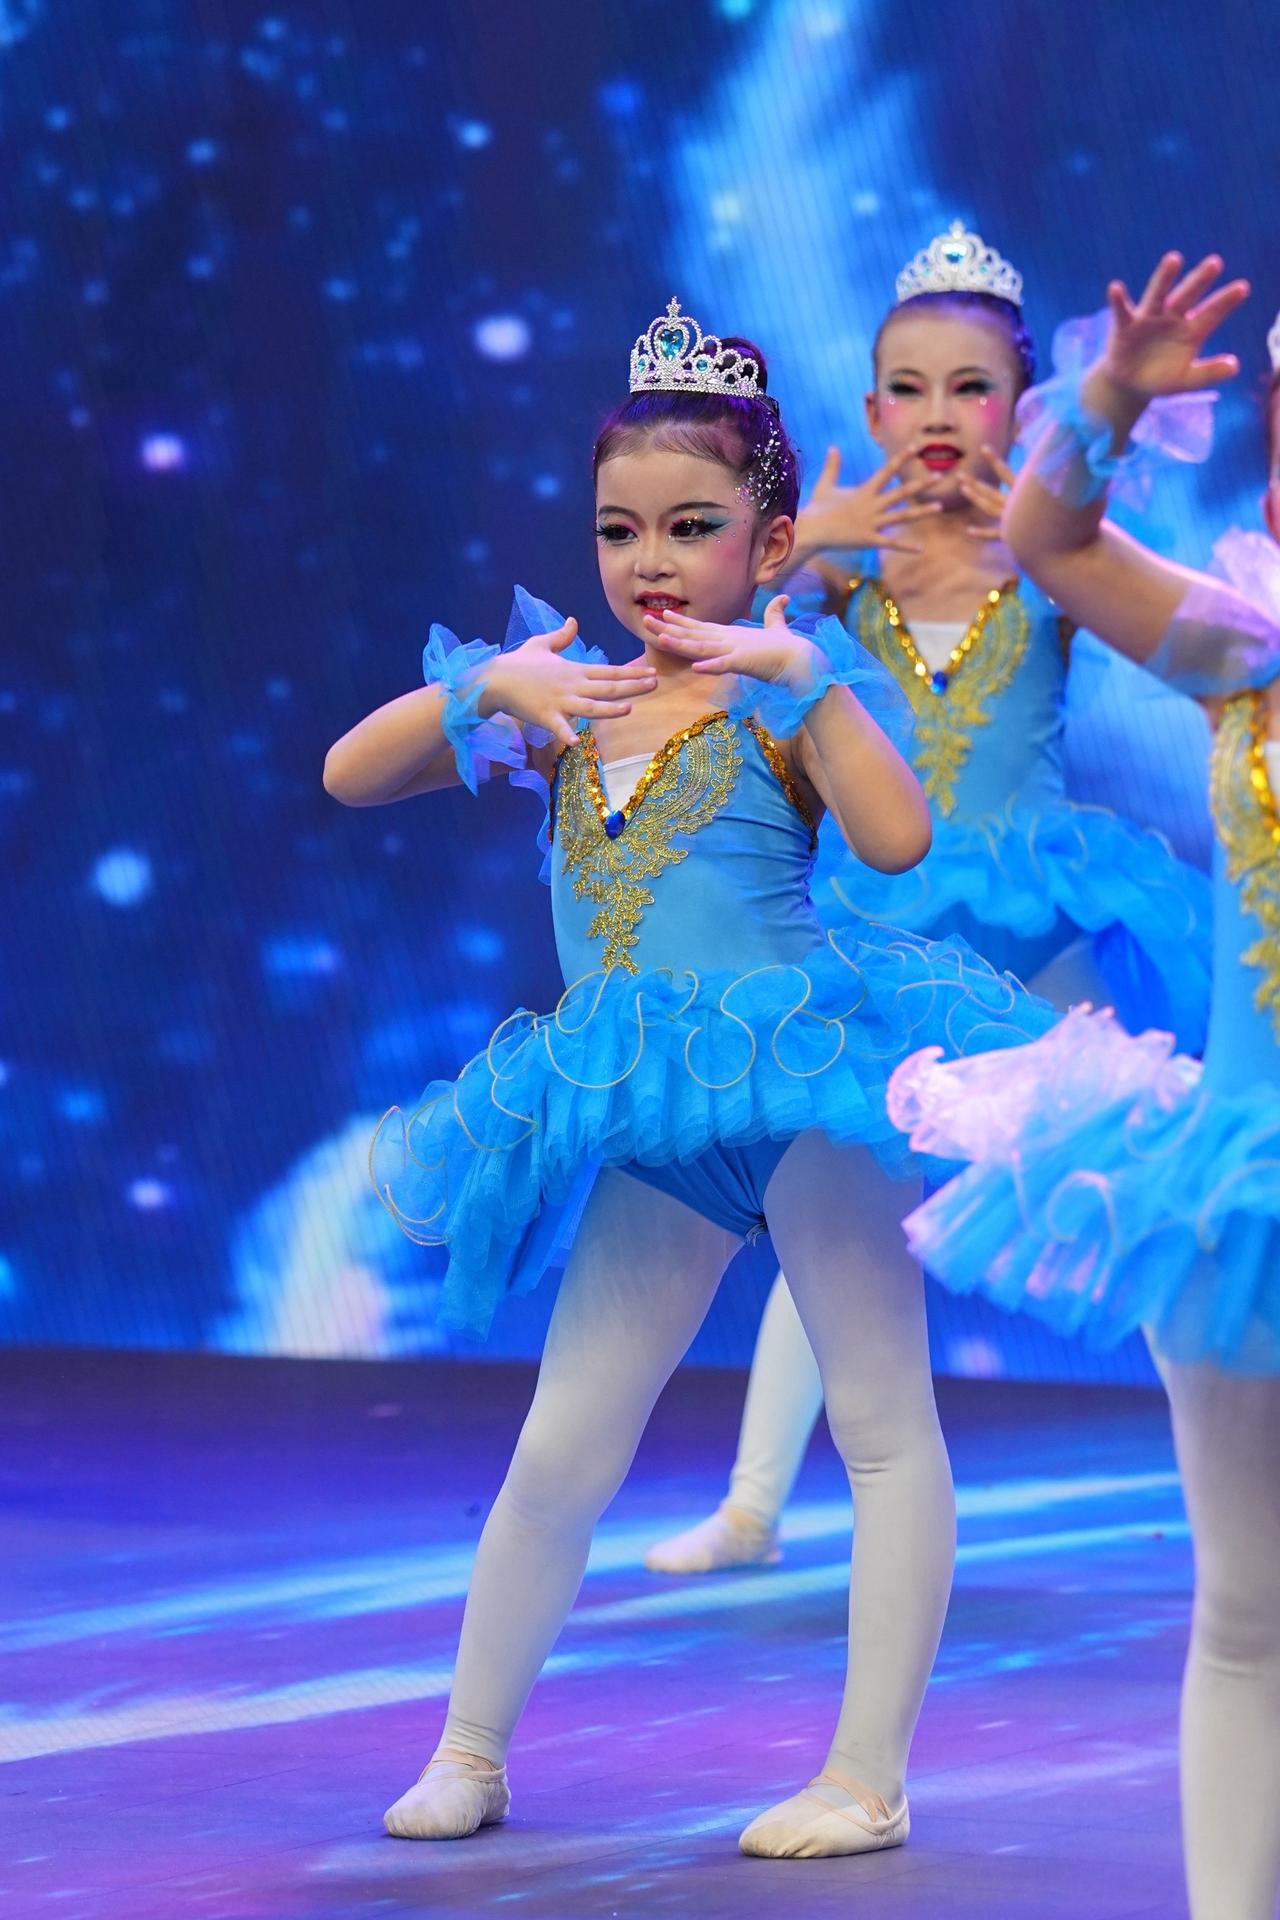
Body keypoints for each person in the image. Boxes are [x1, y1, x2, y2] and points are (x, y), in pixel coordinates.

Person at [323, 298, 1054, 1856]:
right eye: (620, 530)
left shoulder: (778, 693)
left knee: (880, 1428)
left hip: (804, 1095)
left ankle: (866, 1778)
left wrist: (807, 677)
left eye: (692, 527)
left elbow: (899, 840)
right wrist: (483, 694)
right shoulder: (569, 705)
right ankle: (470, 1751)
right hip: (655, 1117)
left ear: (769, 542)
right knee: (562, 1443)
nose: (650, 560)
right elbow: (349, 773)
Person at [646, 224, 1213, 1579]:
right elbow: (702, 651)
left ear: (1022, 404)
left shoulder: (1057, 560)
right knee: (833, 1210)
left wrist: (1074, 498)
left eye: (972, 387)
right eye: (910, 388)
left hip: (1037, 921)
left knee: (1129, 1178)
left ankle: (1234, 1490)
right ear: (873, 407)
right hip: (883, 929)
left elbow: (1168, 621)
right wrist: (796, 558)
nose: (940, 414)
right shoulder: (839, 569)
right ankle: (752, 1507)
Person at [888, 253, 1278, 1920]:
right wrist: (1107, 398)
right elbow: (1049, 539)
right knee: (1248, 1609)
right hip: (1242, 1195)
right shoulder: (1244, 647)